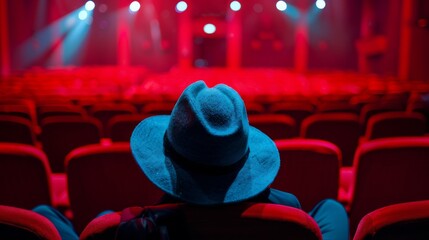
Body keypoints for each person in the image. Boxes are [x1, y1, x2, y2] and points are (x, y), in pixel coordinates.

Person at [35, 80, 349, 239]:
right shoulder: (289, 216)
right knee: (331, 209)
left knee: (43, 217)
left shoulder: (129, 230)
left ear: (166, 162)